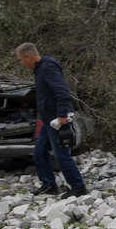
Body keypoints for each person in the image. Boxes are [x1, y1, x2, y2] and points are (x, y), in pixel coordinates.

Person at [15, 43, 87, 198]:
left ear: (28, 56)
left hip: (57, 120)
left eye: (21, 60)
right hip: (47, 121)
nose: (22, 63)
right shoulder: (39, 69)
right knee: (40, 152)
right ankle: (49, 185)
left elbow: (62, 92)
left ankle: (78, 187)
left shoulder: (48, 67)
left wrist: (62, 116)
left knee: (62, 155)